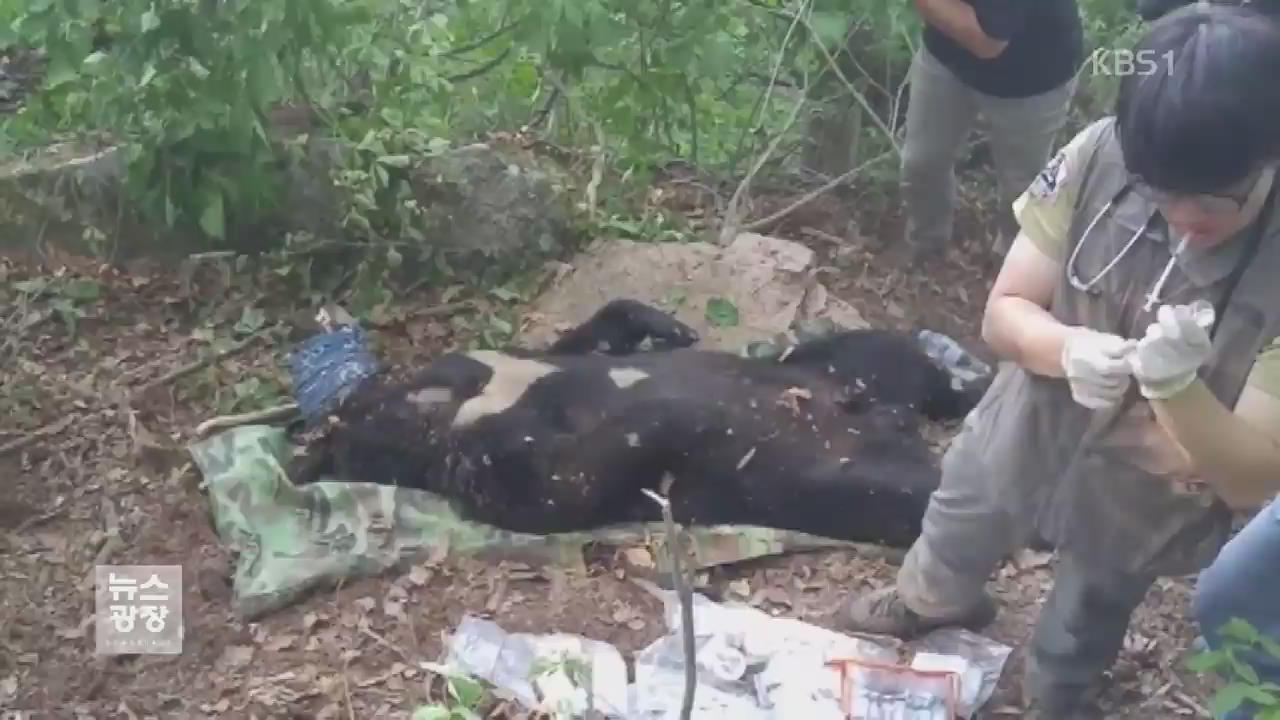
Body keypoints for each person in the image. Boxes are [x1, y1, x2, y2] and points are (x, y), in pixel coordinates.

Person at [834, 5, 1280, 718]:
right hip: (1036, 413)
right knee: (965, 511)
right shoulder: (1102, 154)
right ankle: (927, 599)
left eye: (1211, 204)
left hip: (1157, 479)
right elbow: (1004, 310)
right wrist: (1067, 347)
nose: (1180, 220)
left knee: (1092, 601)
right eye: (1160, 195)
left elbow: (1256, 473)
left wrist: (1176, 387)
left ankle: (1059, 687)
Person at [891, 0, 1082, 267]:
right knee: (922, 161)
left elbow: (987, 42)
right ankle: (927, 243)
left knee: (1021, 189)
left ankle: (1013, 271)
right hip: (947, 53)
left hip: (1033, 79)